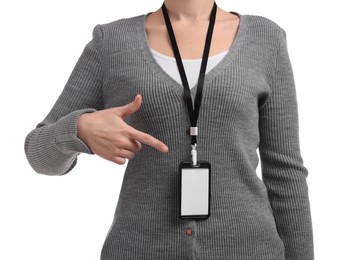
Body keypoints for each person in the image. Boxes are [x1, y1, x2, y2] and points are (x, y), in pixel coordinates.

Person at [24, 0, 315, 259]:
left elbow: (285, 171)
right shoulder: (111, 42)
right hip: (140, 248)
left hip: (250, 248)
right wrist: (80, 129)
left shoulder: (266, 39)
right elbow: (38, 154)